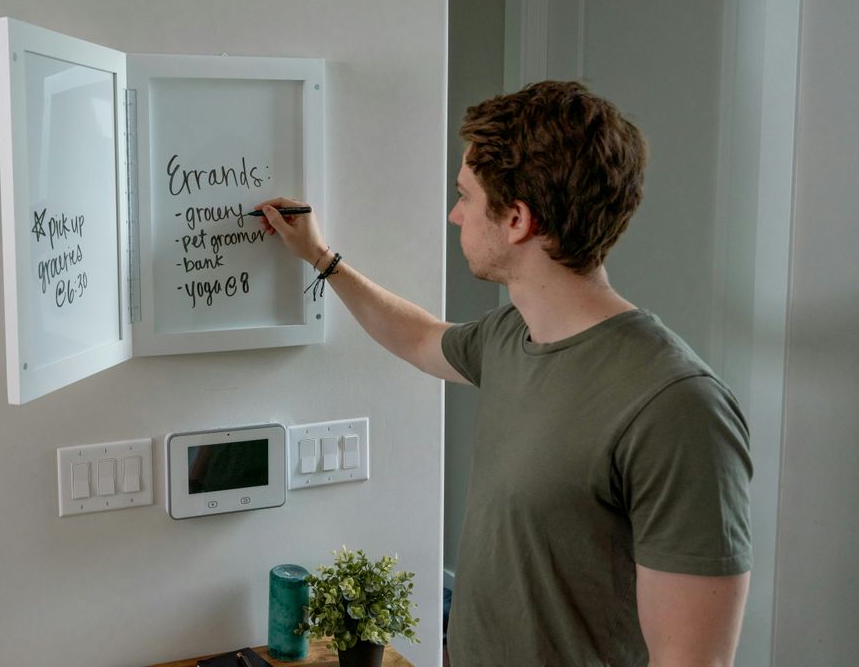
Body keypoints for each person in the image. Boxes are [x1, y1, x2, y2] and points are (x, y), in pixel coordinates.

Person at [255, 80, 751, 666]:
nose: (454, 213)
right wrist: (320, 258)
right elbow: (418, 337)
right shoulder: (512, 335)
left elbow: (692, 662)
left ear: (517, 219)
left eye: (466, 196)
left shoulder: (676, 408)